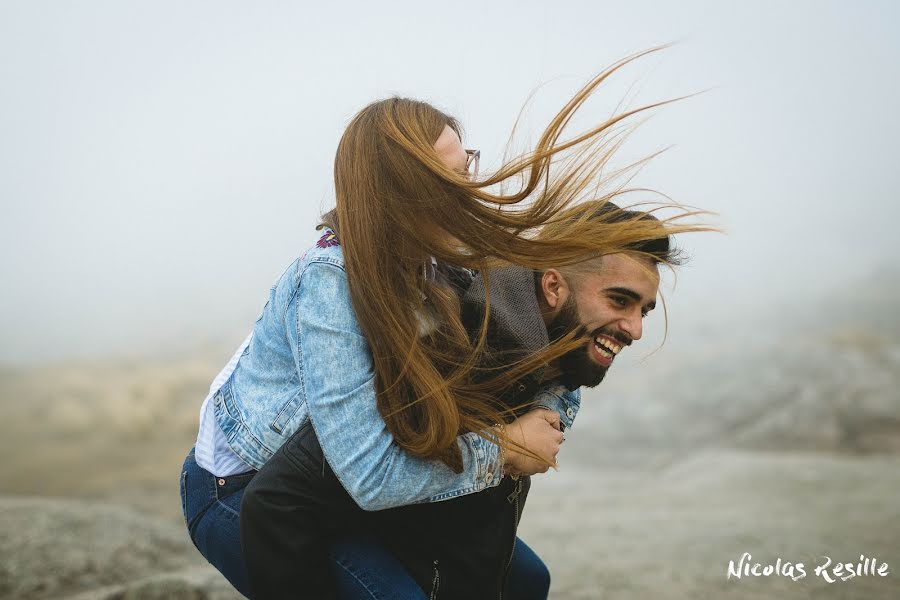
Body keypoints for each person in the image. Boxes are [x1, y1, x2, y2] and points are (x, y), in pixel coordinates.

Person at [179, 48, 705, 598]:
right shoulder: (331, 281)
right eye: (447, 177)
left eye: (466, 166)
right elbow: (365, 473)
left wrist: (547, 410)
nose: (468, 189)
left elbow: (546, 344)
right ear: (401, 189)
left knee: (526, 581)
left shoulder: (448, 261)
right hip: (247, 487)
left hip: (340, 483)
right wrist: (500, 450)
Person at [241, 203, 685, 599]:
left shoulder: (551, 354)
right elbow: (278, 502)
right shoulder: (457, 354)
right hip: (301, 517)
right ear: (552, 288)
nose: (634, 329)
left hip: (422, 538)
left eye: (642, 310)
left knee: (529, 582)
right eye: (619, 301)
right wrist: (503, 448)